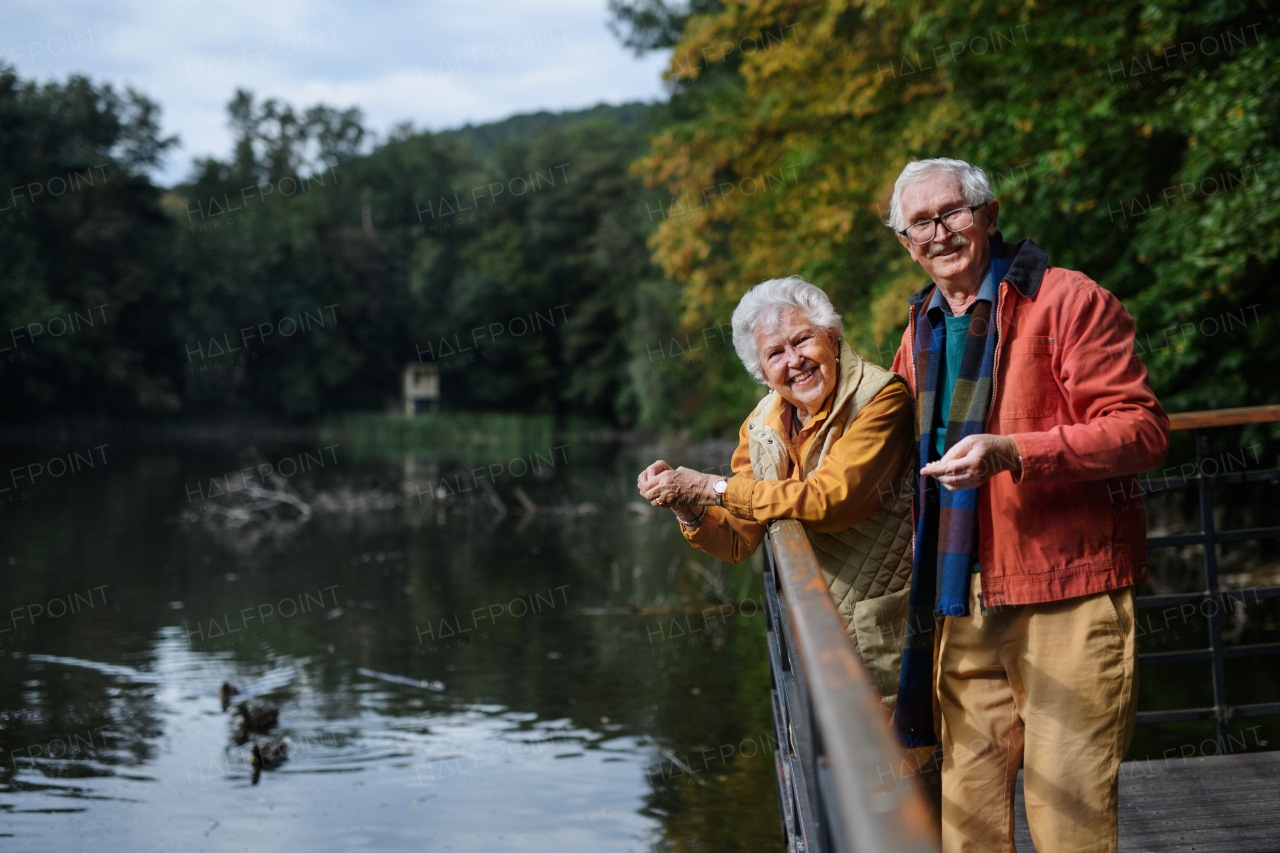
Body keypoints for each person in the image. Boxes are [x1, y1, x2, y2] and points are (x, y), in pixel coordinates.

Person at [886, 157, 1169, 852]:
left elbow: (1142, 431)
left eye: (952, 212)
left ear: (988, 214)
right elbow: (881, 454)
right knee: (969, 825)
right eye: (921, 223)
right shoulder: (918, 328)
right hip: (962, 600)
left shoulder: (1067, 299)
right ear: (905, 243)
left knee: (1067, 819)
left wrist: (1015, 450)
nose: (940, 232)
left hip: (1067, 594)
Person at [637, 276, 916, 707]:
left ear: (832, 336)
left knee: (904, 767)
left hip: (886, 635)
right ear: (763, 372)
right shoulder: (763, 421)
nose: (795, 361)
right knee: (830, 765)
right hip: (811, 636)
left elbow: (829, 499)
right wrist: (688, 506)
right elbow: (735, 539)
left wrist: (711, 486)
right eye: (775, 353)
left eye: (802, 340)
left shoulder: (881, 398)